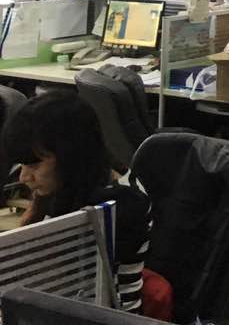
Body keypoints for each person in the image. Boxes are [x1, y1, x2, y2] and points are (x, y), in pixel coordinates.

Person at [3, 92, 152, 312]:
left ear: (70, 155)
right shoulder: (72, 180)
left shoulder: (121, 204)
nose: (24, 177)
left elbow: (68, 284)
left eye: (33, 165)